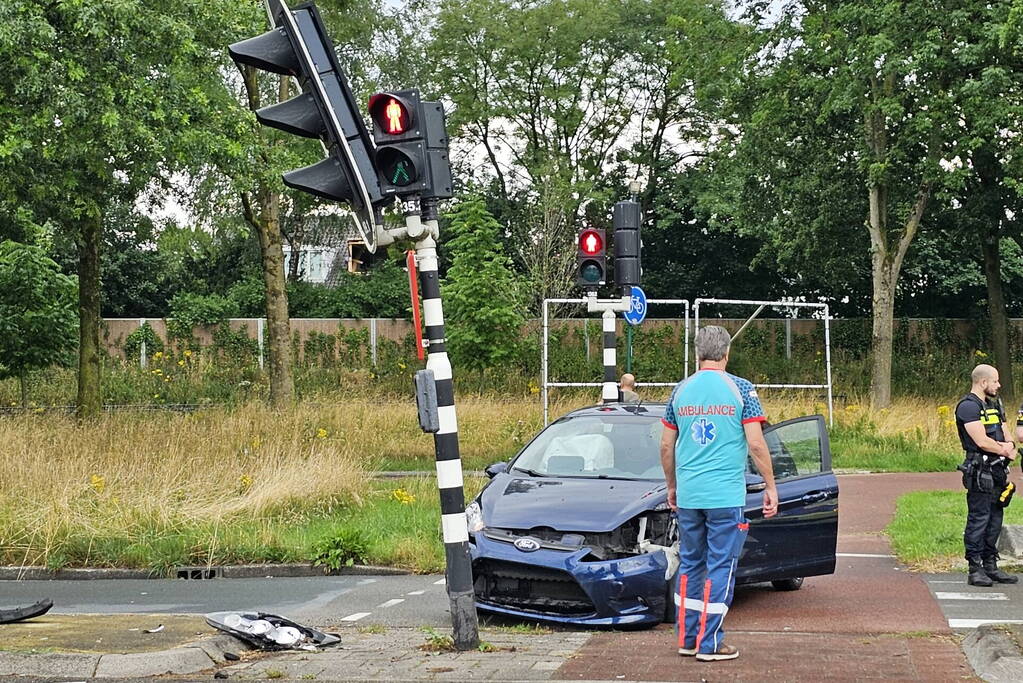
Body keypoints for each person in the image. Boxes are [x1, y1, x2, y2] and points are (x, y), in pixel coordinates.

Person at [659, 325, 778, 662]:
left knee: (690, 564)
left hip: (690, 495)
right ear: (727, 353)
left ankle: (687, 638)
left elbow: (667, 445)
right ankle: (710, 644)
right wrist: (770, 486)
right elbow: (755, 443)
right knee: (720, 566)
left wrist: (672, 485)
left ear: (698, 353)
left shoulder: (680, 391)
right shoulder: (741, 388)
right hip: (725, 495)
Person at [955, 364, 1017, 586]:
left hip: (998, 470)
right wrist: (1004, 449)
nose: (998, 385)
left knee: (995, 519)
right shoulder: (968, 407)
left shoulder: (994, 404)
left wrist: (1011, 447)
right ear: (983, 382)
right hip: (979, 470)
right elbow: (981, 441)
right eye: (995, 381)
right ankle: (975, 568)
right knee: (979, 519)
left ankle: (991, 565)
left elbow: (1005, 429)